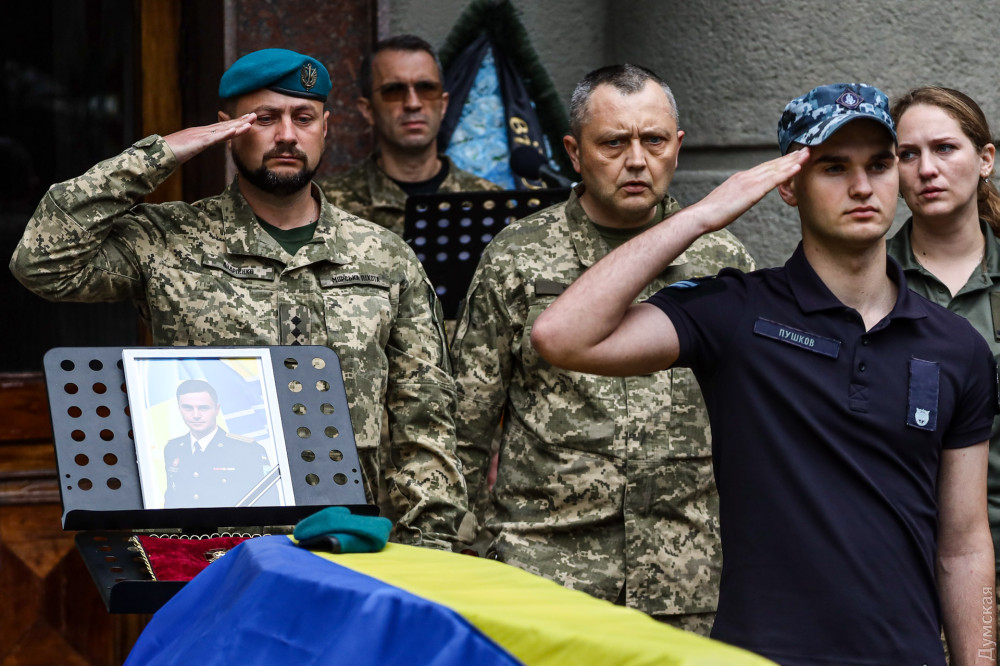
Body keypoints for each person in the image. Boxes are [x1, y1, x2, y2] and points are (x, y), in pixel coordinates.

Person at [531, 83, 996, 665]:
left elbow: (964, 546)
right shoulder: (736, 312)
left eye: (879, 165)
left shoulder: (956, 346)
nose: (861, 187)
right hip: (762, 655)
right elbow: (561, 336)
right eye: (833, 167)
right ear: (788, 185)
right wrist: (701, 216)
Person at [10, 48, 470, 550]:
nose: (287, 135)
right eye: (264, 119)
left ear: (325, 127)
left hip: (347, 544)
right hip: (207, 549)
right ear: (227, 129)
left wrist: (430, 550)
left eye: (303, 118)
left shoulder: (384, 256)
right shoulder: (170, 240)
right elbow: (42, 264)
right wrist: (160, 154)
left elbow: (425, 418)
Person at [450, 64, 754, 634]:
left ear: (677, 146)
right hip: (545, 575)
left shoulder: (722, 261)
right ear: (574, 152)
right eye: (614, 142)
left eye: (653, 141)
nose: (636, 160)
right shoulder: (518, 257)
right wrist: (457, 554)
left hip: (686, 580)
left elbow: (755, 425)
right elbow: (467, 424)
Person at [886, 87, 1000, 606]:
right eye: (907, 154)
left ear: (985, 159)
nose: (926, 169)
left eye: (945, 148)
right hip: (893, 569)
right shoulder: (864, 280)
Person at [317, 34, 499, 237]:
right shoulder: (324, 205)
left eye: (426, 88)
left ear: (443, 105)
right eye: (394, 90)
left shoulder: (489, 203)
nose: (413, 103)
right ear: (368, 110)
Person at [163, 380, 274, 508]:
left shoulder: (247, 450)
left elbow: (268, 501)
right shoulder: (173, 448)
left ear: (217, 409)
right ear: (179, 409)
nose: (196, 415)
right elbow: (171, 500)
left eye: (203, 408)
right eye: (188, 408)